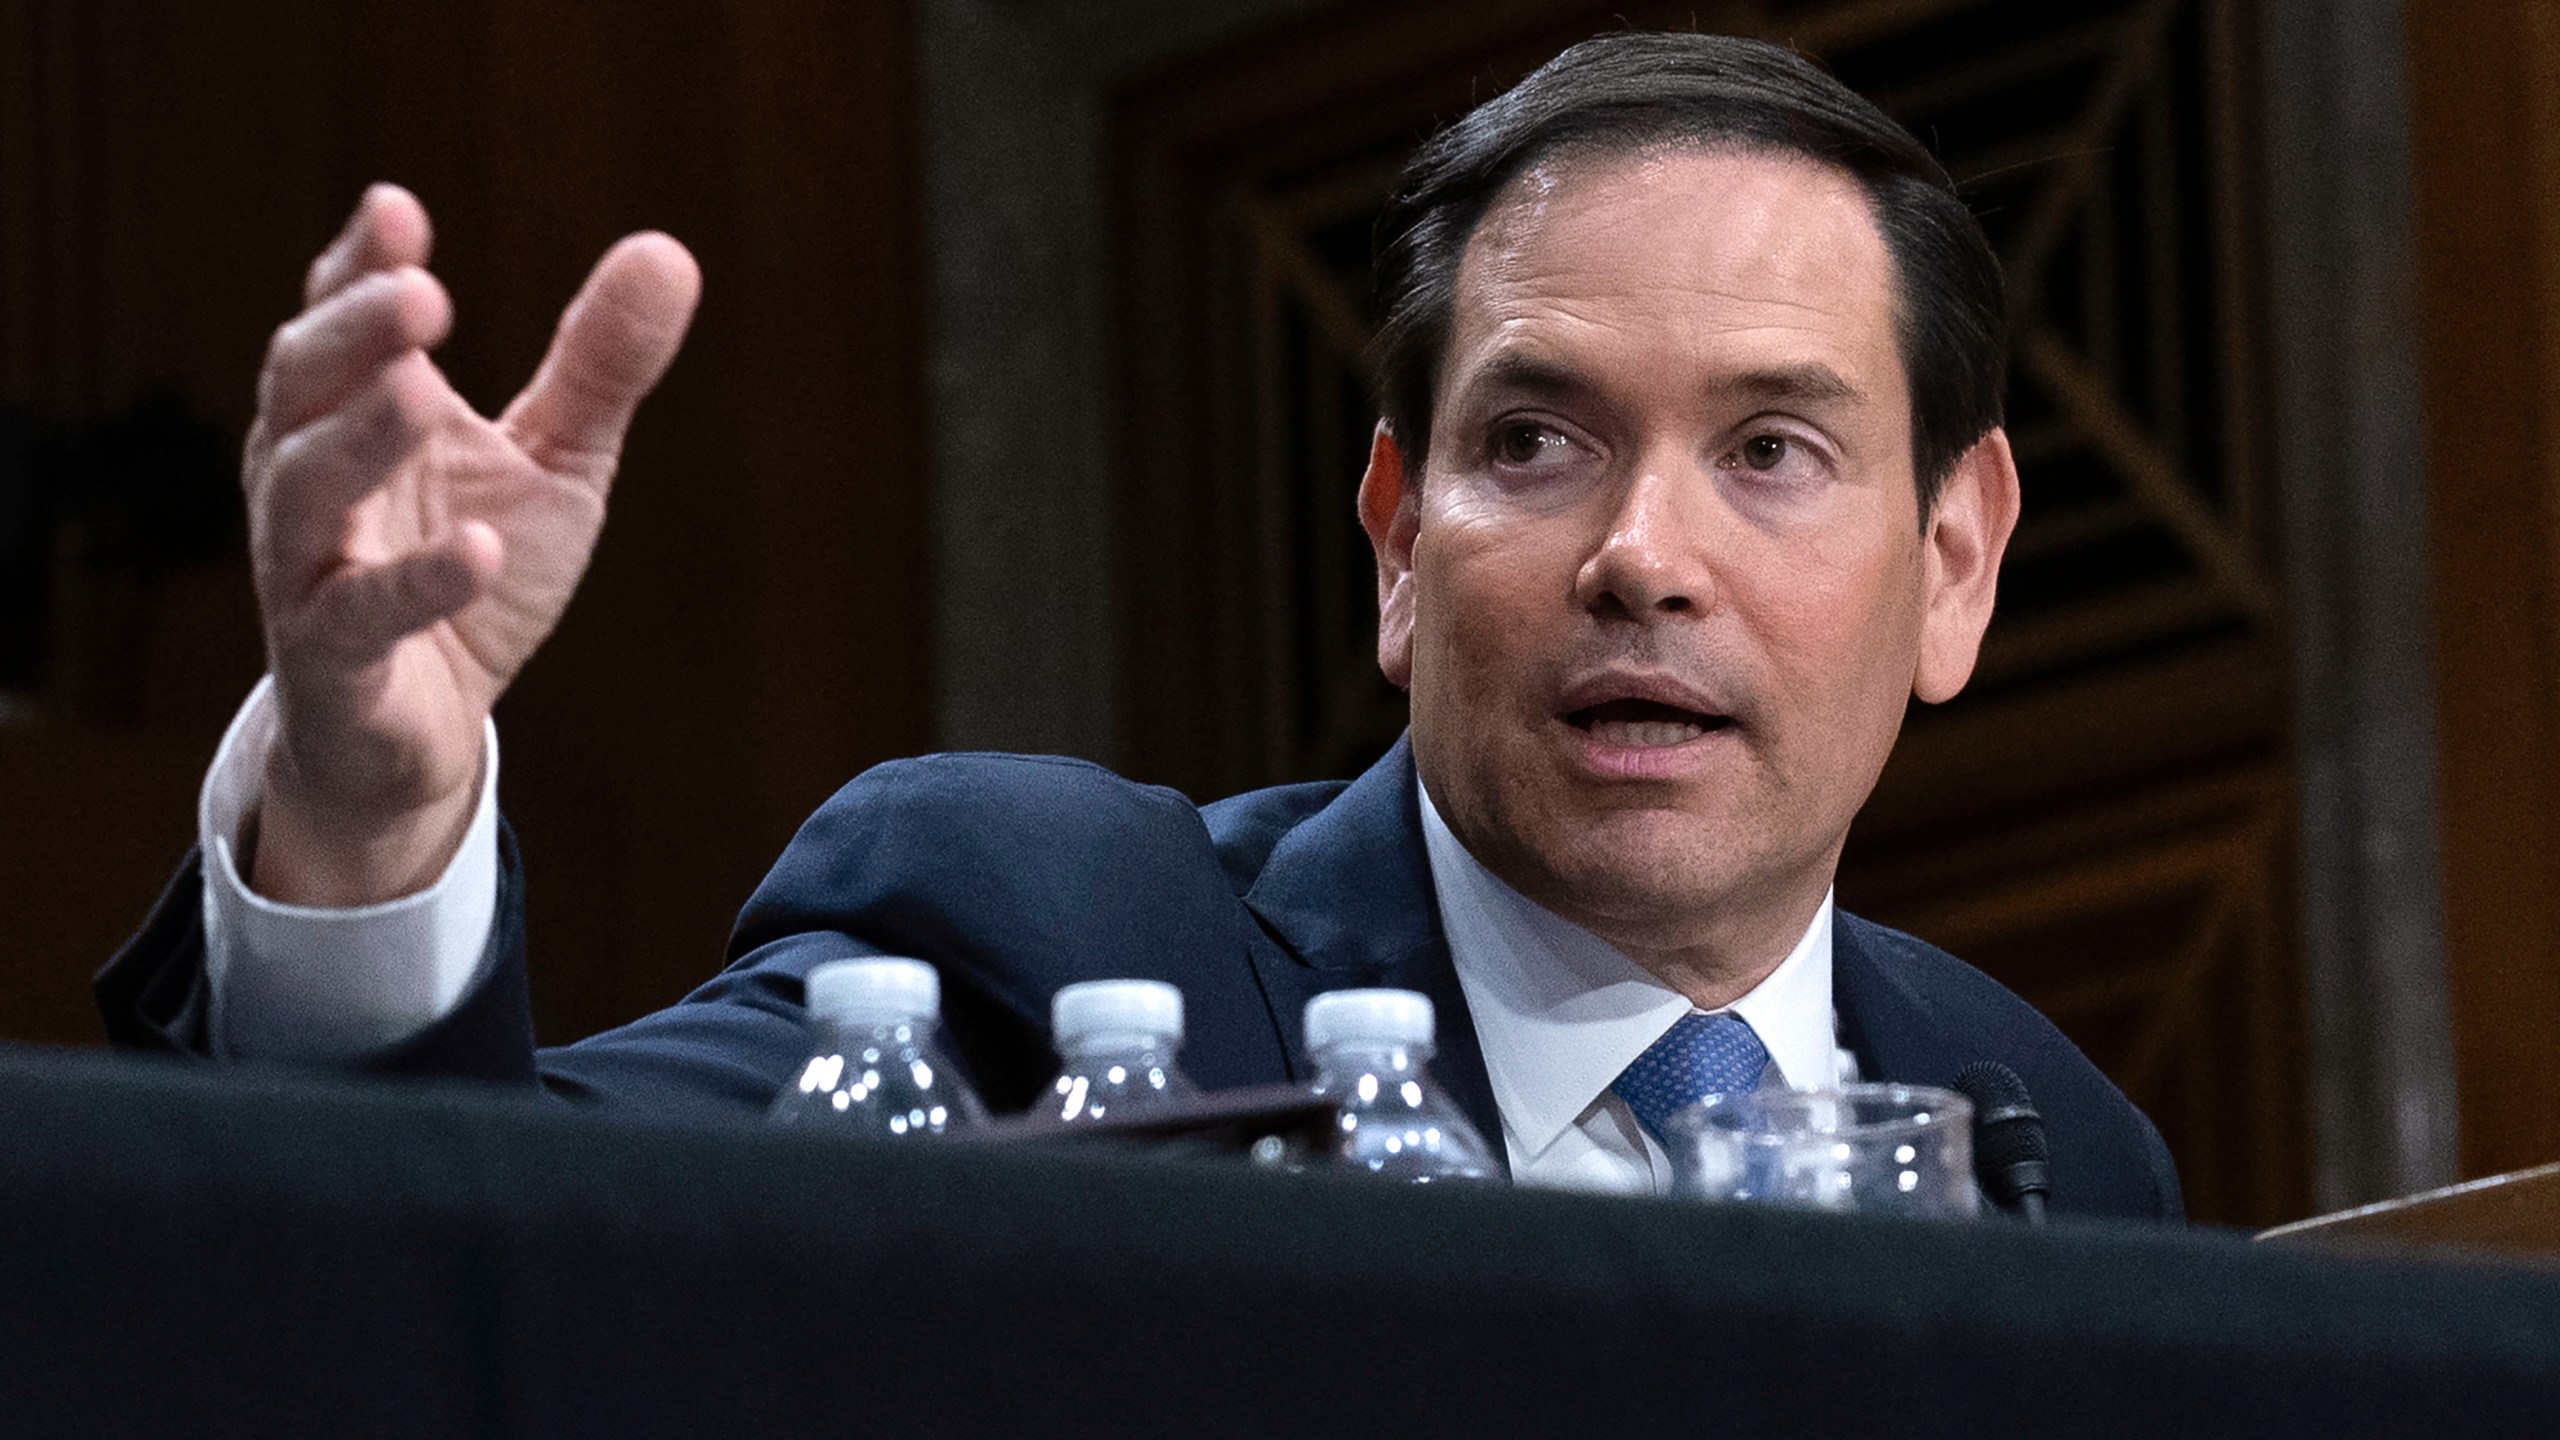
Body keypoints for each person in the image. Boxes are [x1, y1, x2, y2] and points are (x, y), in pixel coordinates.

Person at [100, 32, 2180, 1218]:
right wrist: (372, 825)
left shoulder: (2051, 1141)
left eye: (1767, 454)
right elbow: (491, 1259)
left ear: (1952, 561)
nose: (1641, 555)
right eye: (1534, 441)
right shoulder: (1047, 949)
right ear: (1392, 538)